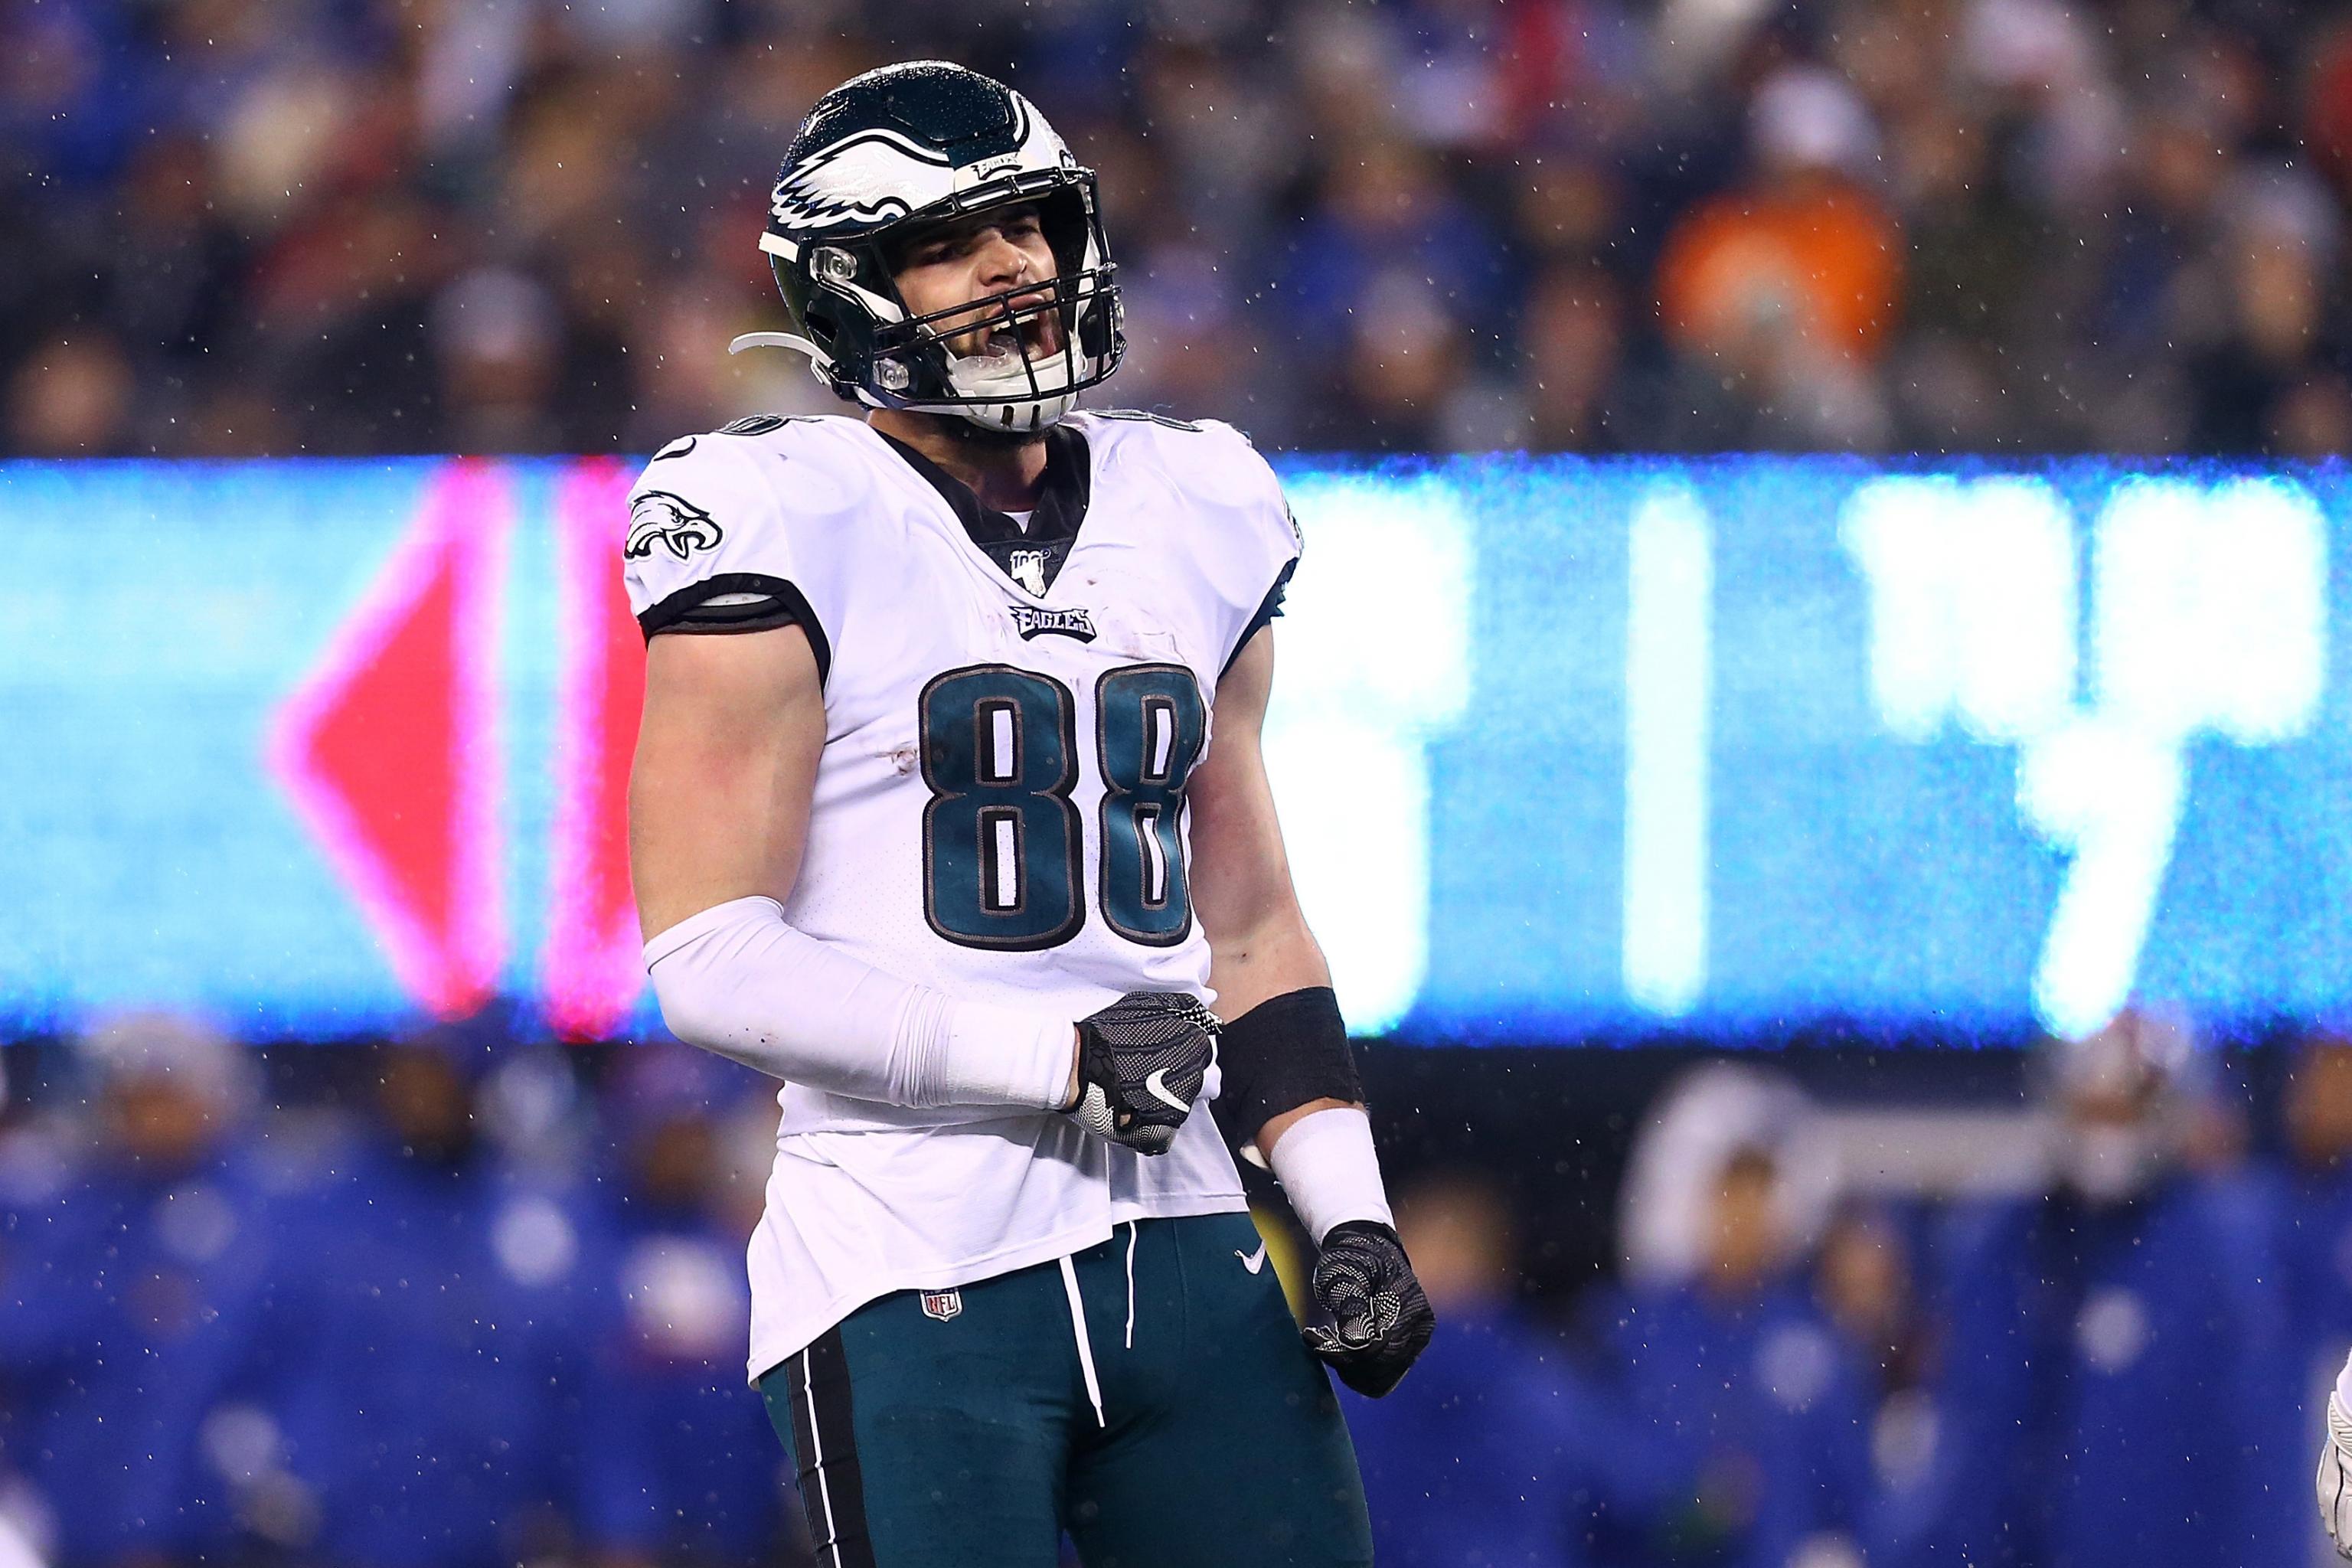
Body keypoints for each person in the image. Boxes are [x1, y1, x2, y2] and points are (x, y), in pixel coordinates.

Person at [623, 61, 1433, 1568]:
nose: (1014, 264)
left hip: (1188, 1240)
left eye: (1033, 225)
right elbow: (708, 953)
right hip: (908, 1254)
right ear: (852, 288)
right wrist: (1050, 1059)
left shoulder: (1201, 500)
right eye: (953, 239)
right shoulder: (779, 506)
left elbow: (1248, 921)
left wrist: (1348, 1211)